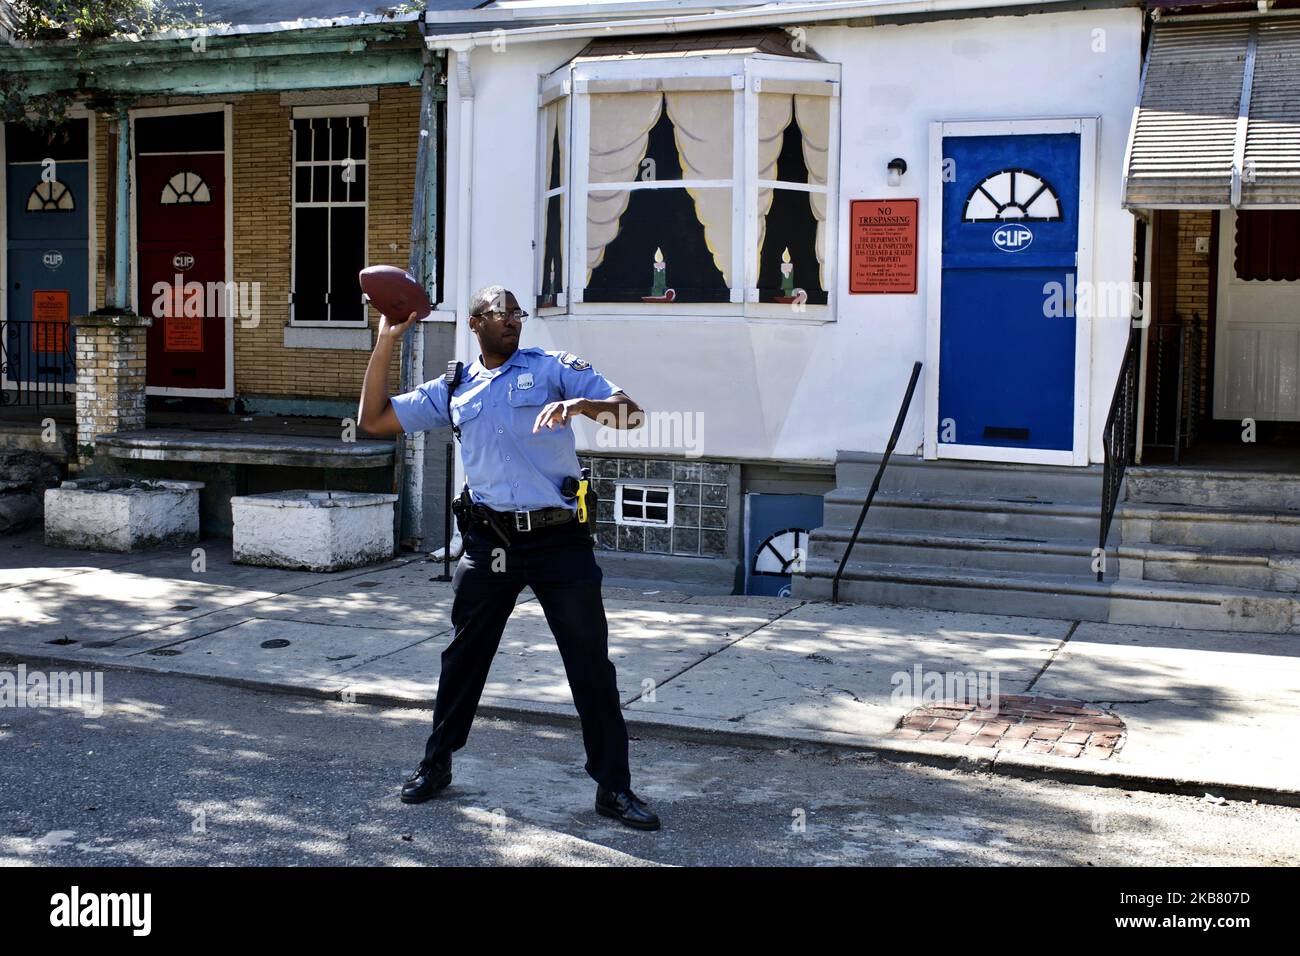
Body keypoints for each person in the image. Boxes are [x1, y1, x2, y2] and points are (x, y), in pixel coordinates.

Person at [357, 284, 660, 831]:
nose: (511, 320)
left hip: (558, 541)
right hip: (490, 542)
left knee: (590, 665)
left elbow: (632, 415)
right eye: (499, 313)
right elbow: (373, 420)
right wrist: (385, 341)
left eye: (517, 312)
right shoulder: (453, 387)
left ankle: (614, 788)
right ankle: (436, 765)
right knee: (463, 660)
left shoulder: (552, 369)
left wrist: (581, 405)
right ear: (475, 324)